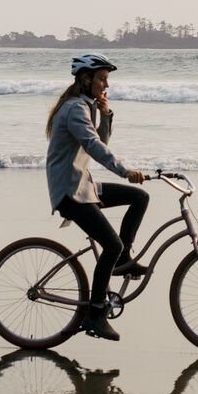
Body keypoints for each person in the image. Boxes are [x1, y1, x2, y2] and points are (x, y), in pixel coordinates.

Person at [45, 53, 148, 341]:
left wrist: (107, 114)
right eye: (102, 79)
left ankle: (121, 260)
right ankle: (96, 314)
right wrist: (124, 170)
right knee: (110, 244)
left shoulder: (85, 107)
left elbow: (99, 140)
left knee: (139, 198)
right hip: (70, 192)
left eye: (107, 80)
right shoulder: (75, 108)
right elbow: (93, 147)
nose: (106, 85)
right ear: (86, 78)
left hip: (83, 185)